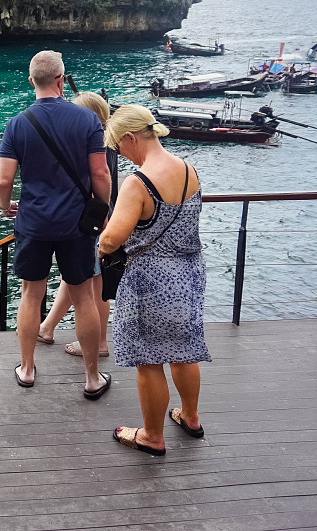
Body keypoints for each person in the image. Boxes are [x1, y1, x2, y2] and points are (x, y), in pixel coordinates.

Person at [0, 50, 111, 397]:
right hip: (76, 224)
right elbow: (101, 173)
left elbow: (3, 181)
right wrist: (101, 210)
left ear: (31, 81)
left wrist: (5, 207)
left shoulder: (17, 123)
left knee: (31, 295)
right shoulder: (88, 121)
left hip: (33, 223)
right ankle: (92, 378)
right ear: (62, 79)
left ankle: (27, 369)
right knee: (84, 297)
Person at [99, 105, 209, 457]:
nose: (120, 154)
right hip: (189, 272)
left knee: (149, 360)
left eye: (118, 146)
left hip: (150, 280)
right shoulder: (189, 170)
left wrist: (100, 244)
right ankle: (190, 417)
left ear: (131, 137)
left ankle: (151, 435)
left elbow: (112, 239)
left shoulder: (138, 182)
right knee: (183, 351)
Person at [39, 91, 119, 357]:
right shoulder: (105, 141)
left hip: (93, 220)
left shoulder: (96, 144)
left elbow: (98, 180)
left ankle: (99, 344)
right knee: (74, 279)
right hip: (97, 219)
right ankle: (47, 327)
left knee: (94, 287)